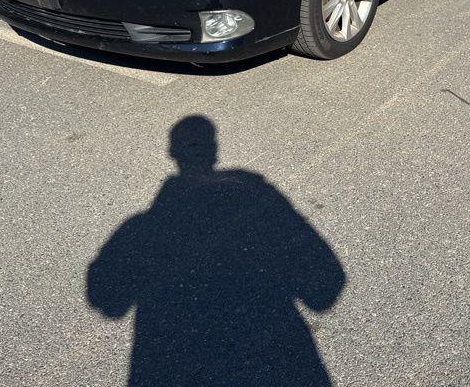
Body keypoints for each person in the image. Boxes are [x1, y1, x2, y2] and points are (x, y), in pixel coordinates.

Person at [87, 116, 346, 387]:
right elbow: (326, 286)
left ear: (173, 154)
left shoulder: (140, 232)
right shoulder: (260, 206)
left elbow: (107, 300)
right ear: (214, 150)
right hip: (275, 368)